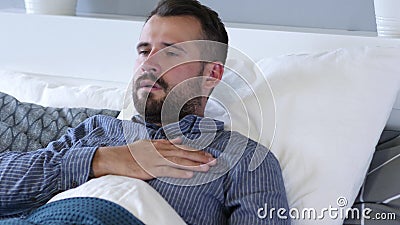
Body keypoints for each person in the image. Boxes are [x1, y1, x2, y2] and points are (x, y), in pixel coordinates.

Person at [0, 0, 289, 224]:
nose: (149, 63)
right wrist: (101, 159)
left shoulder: (245, 159)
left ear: (212, 73)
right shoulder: (97, 131)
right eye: (143, 50)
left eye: (171, 52)